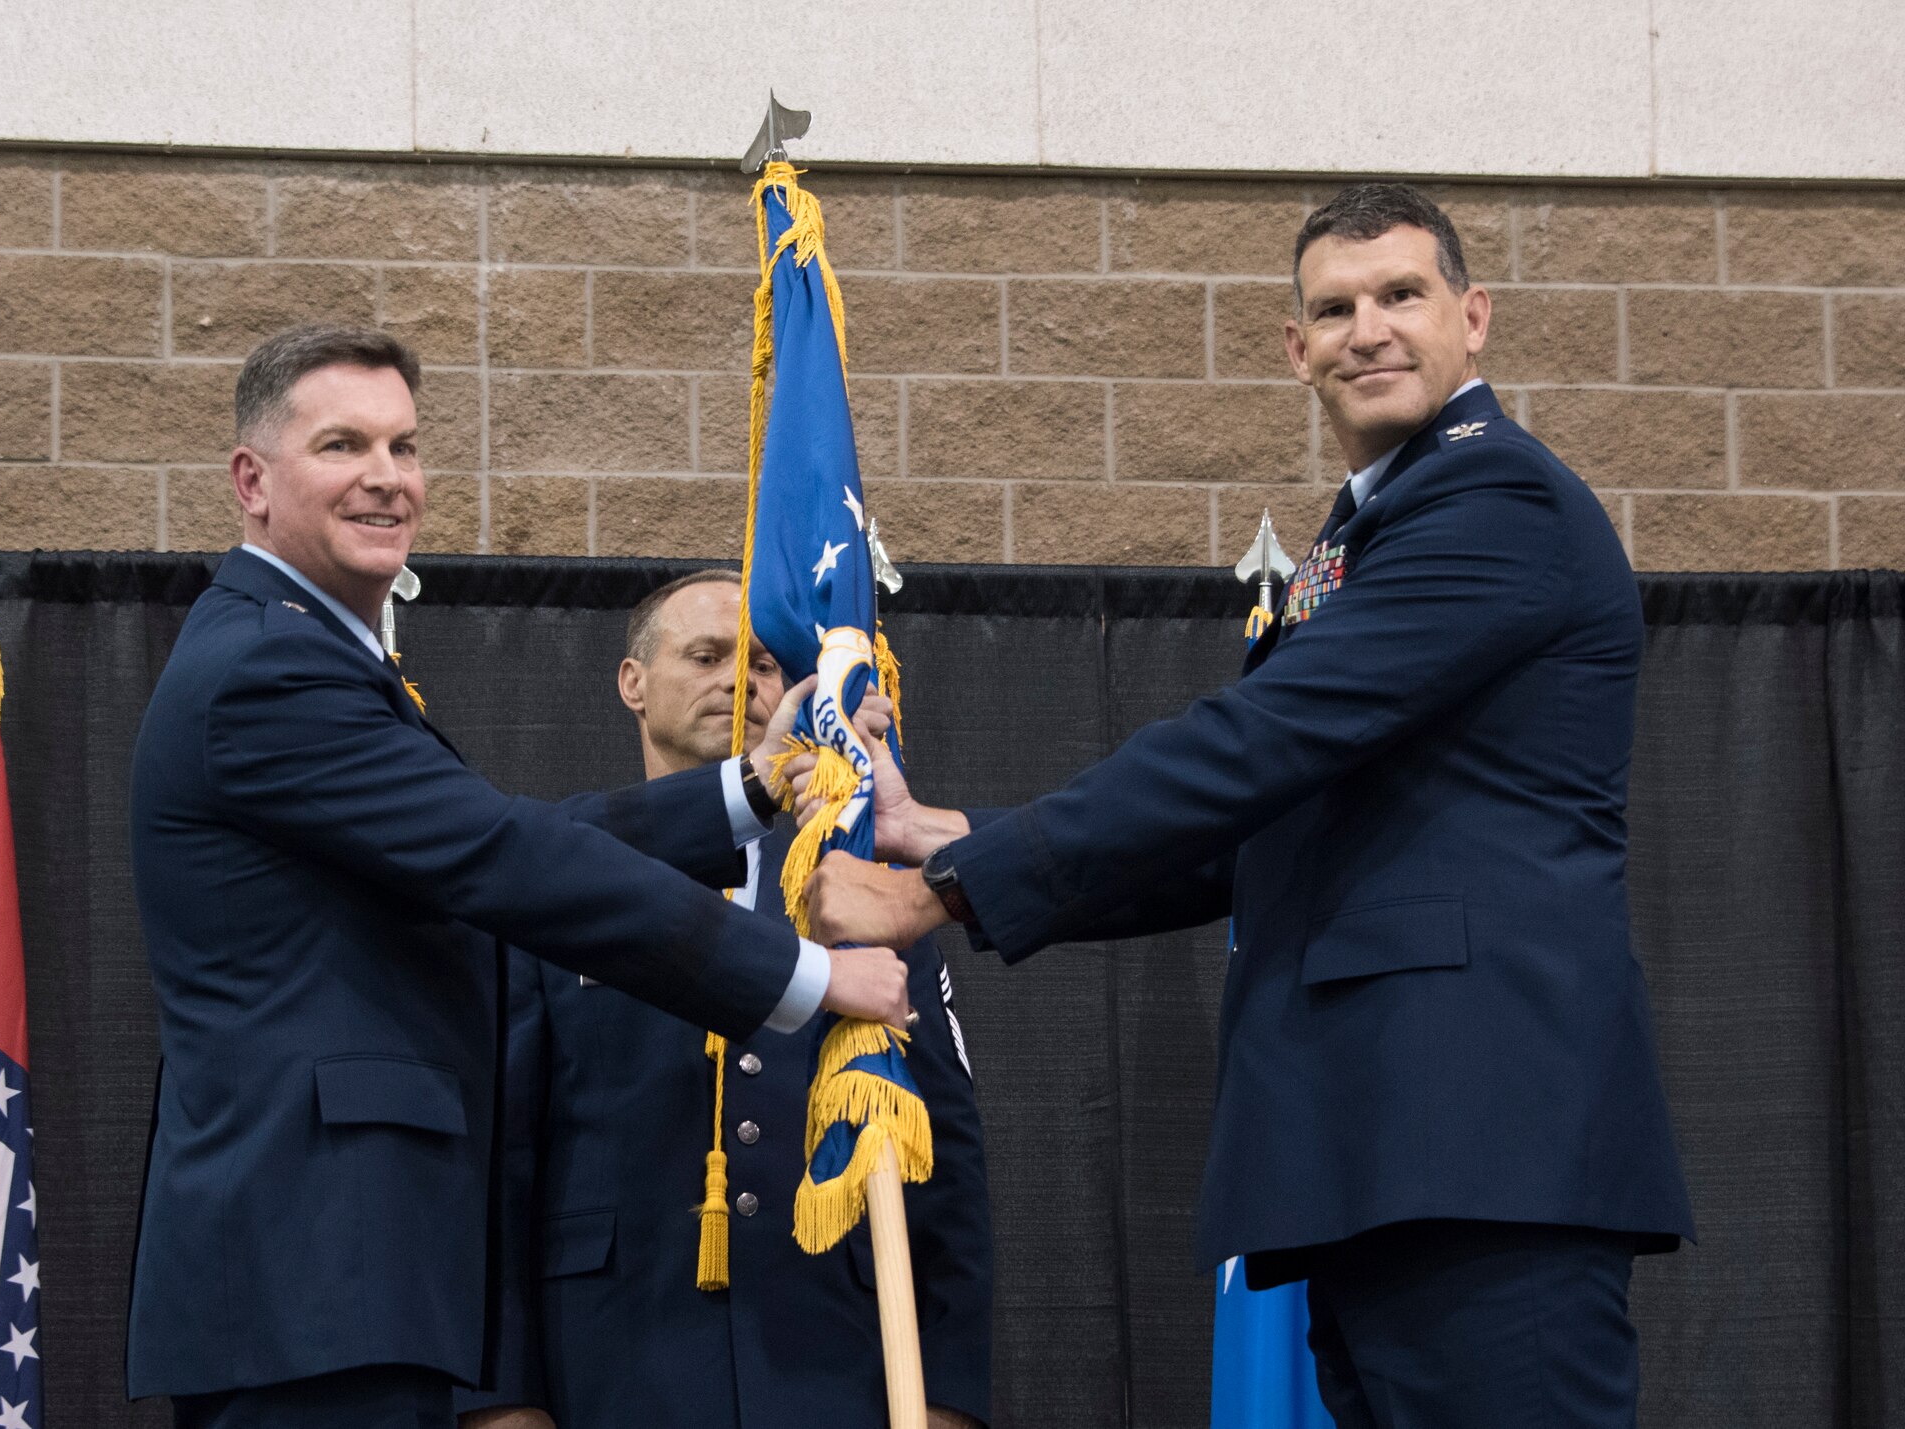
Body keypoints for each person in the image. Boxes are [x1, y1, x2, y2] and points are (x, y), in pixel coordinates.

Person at [802, 184, 1694, 1428]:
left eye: (1400, 295)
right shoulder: (1367, 529)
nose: (1365, 330)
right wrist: (940, 834)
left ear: (1473, 317)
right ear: (1294, 348)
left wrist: (929, 895)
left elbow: (1256, 742)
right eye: (1332, 308)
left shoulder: (1496, 504)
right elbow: (1259, 825)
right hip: (1380, 1154)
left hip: (1480, 1144)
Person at [125, 324, 910, 1429]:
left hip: (338, 1284)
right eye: (343, 444)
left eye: (403, 445)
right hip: (312, 1276)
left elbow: (505, 837)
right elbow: (505, 860)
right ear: (251, 481)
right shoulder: (269, 664)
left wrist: (752, 786)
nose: (385, 477)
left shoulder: (299, 649)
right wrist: (807, 976)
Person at [457, 569, 992, 1429]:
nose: (740, 682)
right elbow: (499, 1166)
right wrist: (501, 1406)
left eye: (764, 666)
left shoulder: (860, 891)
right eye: (706, 655)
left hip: (833, 1368)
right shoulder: (553, 883)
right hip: (615, 1367)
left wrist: (946, 1403)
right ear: (633, 683)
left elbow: (946, 1165)